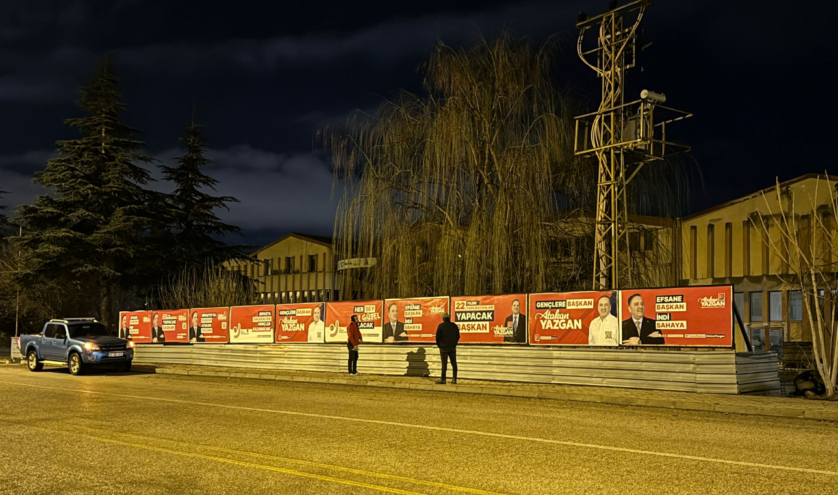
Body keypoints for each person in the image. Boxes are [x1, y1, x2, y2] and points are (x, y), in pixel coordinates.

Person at [435, 312, 460, 384]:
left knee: (444, 364)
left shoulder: (441, 326)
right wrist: (454, 344)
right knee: (454, 363)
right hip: (452, 347)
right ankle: (454, 379)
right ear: (449, 318)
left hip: (443, 348)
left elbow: (437, 337)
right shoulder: (454, 326)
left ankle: (443, 379)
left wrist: (440, 345)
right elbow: (458, 336)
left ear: (443, 318)